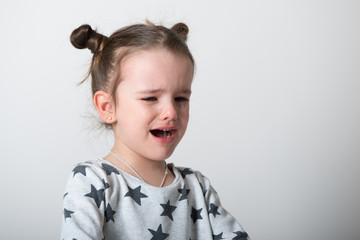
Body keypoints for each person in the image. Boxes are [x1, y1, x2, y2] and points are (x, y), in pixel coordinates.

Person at [61, 21, 249, 240]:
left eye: (181, 98)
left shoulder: (197, 187)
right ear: (107, 107)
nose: (171, 112)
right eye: (150, 98)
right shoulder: (93, 182)